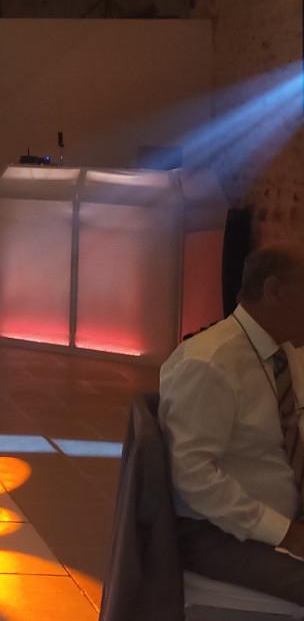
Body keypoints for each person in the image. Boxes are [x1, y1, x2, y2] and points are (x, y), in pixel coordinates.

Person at [160, 244, 304, 602]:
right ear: (274, 291)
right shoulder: (209, 363)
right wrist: (285, 532)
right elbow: (192, 475)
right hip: (216, 533)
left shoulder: (287, 354)